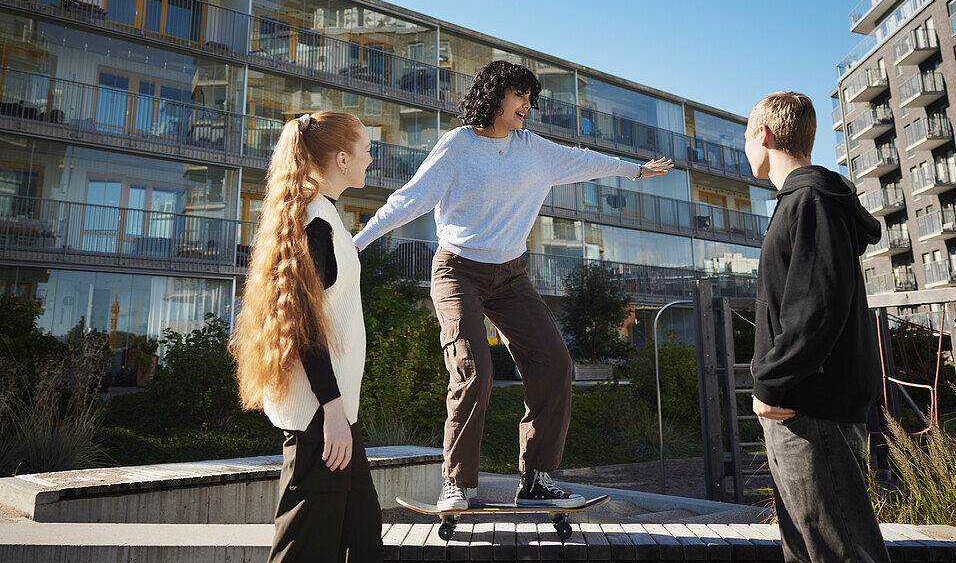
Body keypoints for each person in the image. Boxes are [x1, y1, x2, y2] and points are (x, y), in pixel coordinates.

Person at [352, 60, 673, 511]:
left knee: (554, 364)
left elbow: (584, 160)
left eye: (530, 98)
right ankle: (457, 484)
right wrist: (357, 244)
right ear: (494, 95)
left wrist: (634, 170)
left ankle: (537, 479)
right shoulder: (459, 146)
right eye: (519, 95)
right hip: (457, 270)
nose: (527, 104)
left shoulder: (534, 150)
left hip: (511, 276)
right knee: (473, 370)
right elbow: (410, 199)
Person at [230, 110, 383, 563]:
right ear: (341, 158)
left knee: (363, 538)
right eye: (366, 149)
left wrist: (340, 414)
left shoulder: (324, 217)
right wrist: (334, 410)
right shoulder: (316, 221)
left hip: (335, 417)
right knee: (305, 551)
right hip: (323, 419)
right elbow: (302, 325)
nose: (371, 159)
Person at [745, 91, 890, 563]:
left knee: (841, 551)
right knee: (809, 550)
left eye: (746, 136)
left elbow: (816, 308)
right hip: (802, 407)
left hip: (810, 410)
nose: (745, 147)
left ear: (763, 135)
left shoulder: (810, 201)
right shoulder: (805, 201)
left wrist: (771, 383)